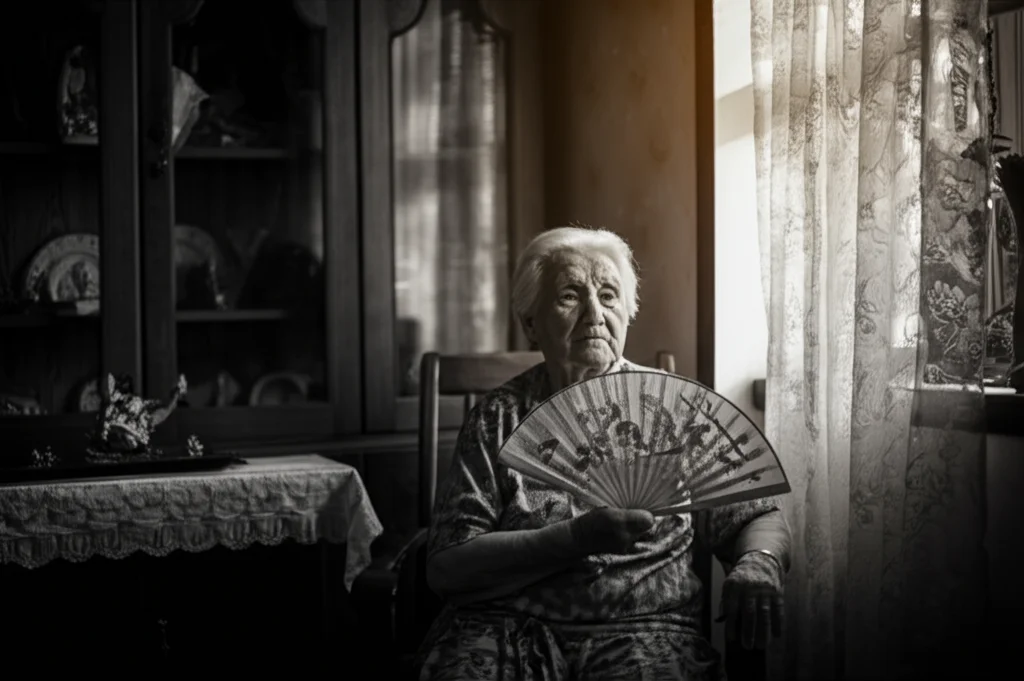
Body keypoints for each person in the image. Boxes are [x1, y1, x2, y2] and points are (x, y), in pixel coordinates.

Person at [418, 226, 791, 680]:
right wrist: (576, 539)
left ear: (627, 313)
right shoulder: (497, 417)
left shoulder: (675, 409)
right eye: (569, 296)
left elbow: (756, 514)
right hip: (504, 630)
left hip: (645, 632)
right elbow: (447, 567)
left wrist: (759, 562)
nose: (595, 314)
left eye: (609, 296)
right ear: (531, 323)